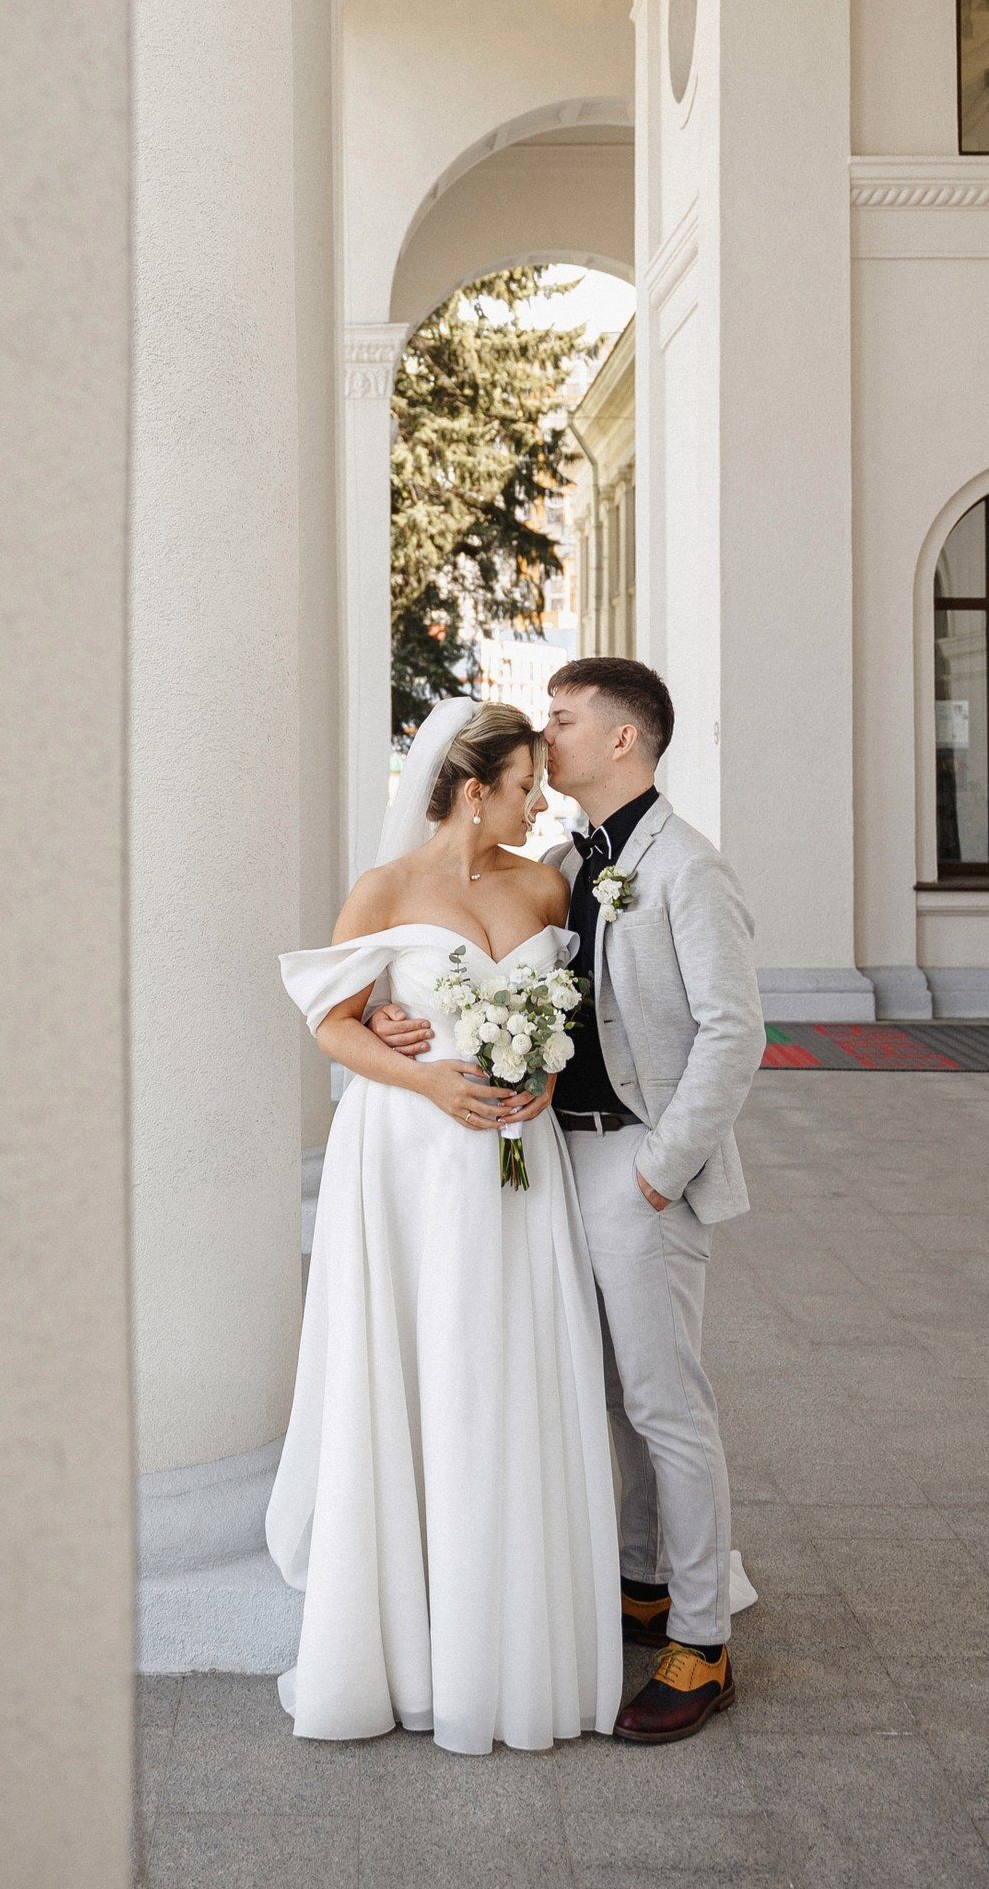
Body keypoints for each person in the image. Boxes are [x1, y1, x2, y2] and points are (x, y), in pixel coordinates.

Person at [372, 658, 764, 1744]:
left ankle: (699, 1638)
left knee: (663, 1402)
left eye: (562, 719)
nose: (545, 737)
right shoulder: (558, 859)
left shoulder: (685, 868)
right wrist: (409, 1021)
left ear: (623, 740)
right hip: (553, 1158)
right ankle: (639, 1579)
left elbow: (736, 1032)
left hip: (639, 1165)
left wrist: (658, 1168)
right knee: (590, 1389)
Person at [268, 699, 624, 1756]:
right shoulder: (381, 890)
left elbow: (565, 1009)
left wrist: (545, 1069)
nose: (537, 800)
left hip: (518, 1167)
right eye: (523, 785)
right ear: (474, 790)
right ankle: (410, 1625)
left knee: (502, 1368)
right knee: (421, 1363)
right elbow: (330, 1021)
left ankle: (509, 1615)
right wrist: (420, 1074)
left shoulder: (543, 882)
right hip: (409, 1161)